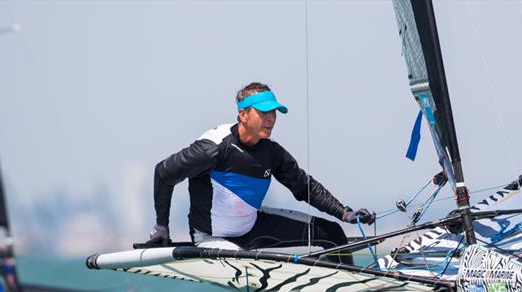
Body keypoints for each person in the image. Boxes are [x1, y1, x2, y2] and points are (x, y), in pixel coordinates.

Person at [146, 82, 374, 265]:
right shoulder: (213, 149)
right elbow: (164, 173)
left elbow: (304, 186)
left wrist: (345, 213)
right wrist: (162, 226)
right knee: (251, 267)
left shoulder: (271, 152)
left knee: (332, 233)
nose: (271, 118)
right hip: (213, 237)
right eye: (263, 111)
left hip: (252, 225)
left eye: (274, 111)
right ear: (243, 114)